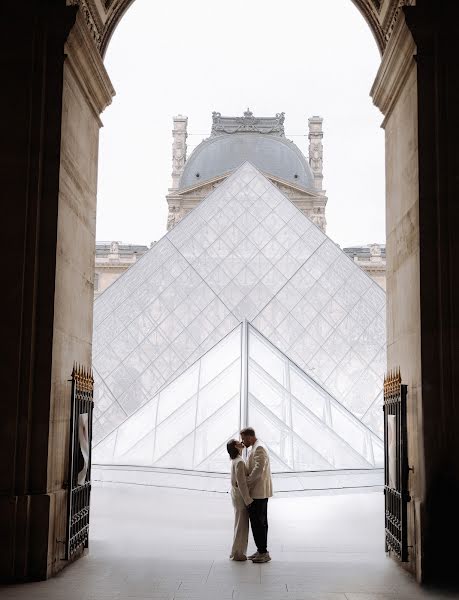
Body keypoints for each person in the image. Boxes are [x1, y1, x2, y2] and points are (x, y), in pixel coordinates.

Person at [240, 427, 273, 563]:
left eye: (243, 439)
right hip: (259, 492)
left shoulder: (259, 448)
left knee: (258, 523)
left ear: (249, 437)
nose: (242, 442)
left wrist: (245, 482)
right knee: (259, 522)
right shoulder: (256, 447)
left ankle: (264, 553)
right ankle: (261, 550)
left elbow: (258, 470)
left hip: (258, 493)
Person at [227, 438, 253, 561]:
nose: (241, 443)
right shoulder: (240, 462)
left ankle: (236, 551)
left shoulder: (234, 460)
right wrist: (248, 500)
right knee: (242, 526)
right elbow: (241, 483)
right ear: (235, 447)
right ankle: (238, 553)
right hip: (240, 497)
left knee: (239, 524)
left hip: (235, 495)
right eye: (239, 443)